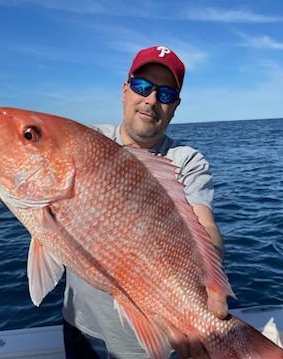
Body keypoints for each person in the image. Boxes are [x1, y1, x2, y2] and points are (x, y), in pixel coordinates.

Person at [62, 45, 228, 359]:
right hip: (81, 329)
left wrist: (211, 275)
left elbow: (203, 223)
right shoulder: (87, 142)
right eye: (142, 87)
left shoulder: (187, 161)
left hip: (153, 337)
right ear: (125, 91)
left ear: (175, 106)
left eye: (165, 94)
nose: (151, 100)